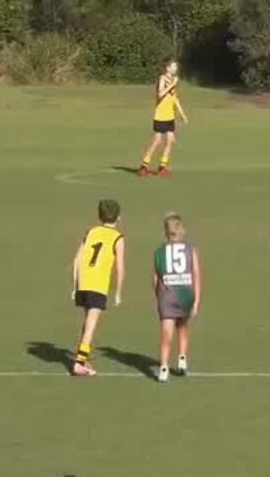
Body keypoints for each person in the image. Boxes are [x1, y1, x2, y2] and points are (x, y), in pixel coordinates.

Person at [69, 199, 126, 377]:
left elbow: (77, 260)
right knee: (92, 323)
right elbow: (120, 267)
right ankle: (79, 363)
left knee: (87, 322)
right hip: (98, 285)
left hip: (84, 283)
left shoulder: (91, 232)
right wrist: (118, 292)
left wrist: (75, 285)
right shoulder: (118, 237)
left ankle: (83, 357)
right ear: (119, 218)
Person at [153, 212, 201, 383]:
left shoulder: (159, 252)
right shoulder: (190, 249)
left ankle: (164, 367)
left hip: (167, 295)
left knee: (166, 333)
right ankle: (182, 359)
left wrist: (158, 296)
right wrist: (196, 299)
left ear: (166, 232)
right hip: (185, 294)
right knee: (182, 327)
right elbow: (196, 273)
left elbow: (156, 278)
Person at [140, 59, 189, 177]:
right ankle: (144, 166)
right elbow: (160, 94)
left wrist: (182, 114)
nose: (175, 68)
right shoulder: (162, 79)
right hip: (160, 115)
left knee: (170, 140)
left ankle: (162, 167)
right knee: (157, 141)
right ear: (167, 68)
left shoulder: (173, 80)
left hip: (170, 116)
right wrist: (172, 84)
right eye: (173, 66)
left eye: (176, 67)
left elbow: (174, 98)